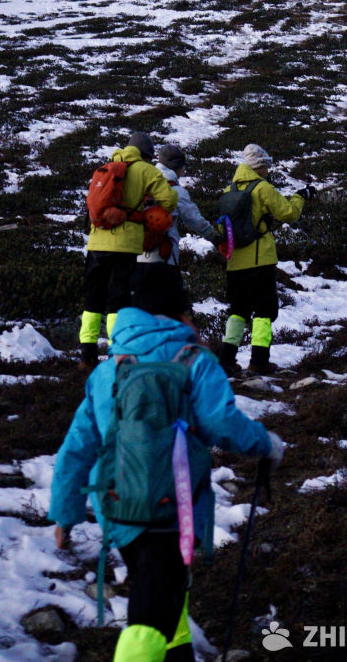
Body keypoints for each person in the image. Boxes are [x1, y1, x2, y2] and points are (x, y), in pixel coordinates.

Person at [49, 265, 285, 662]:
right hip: (174, 511)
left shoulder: (107, 370)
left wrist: (65, 513)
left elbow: (77, 447)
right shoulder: (196, 361)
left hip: (118, 510)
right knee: (149, 615)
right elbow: (222, 424)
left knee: (162, 593)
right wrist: (267, 445)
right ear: (180, 312)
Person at [80, 132, 178, 371]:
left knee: (92, 302)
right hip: (124, 247)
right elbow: (170, 200)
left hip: (95, 244)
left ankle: (86, 355)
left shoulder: (106, 167)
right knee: (118, 301)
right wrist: (146, 211)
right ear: (146, 154)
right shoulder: (147, 170)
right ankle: (117, 353)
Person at [218, 144, 309, 376]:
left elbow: (222, 227)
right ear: (259, 166)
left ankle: (227, 359)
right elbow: (289, 212)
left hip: (235, 262)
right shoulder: (262, 188)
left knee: (237, 311)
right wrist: (300, 197)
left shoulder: (229, 191)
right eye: (266, 165)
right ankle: (259, 361)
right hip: (260, 261)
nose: (268, 170)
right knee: (264, 312)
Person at [131, 144, 219, 323]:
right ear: (177, 167)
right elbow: (196, 221)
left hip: (136, 260)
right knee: (169, 311)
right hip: (165, 262)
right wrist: (216, 238)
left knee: (143, 311)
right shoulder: (176, 191)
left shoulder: (142, 186)